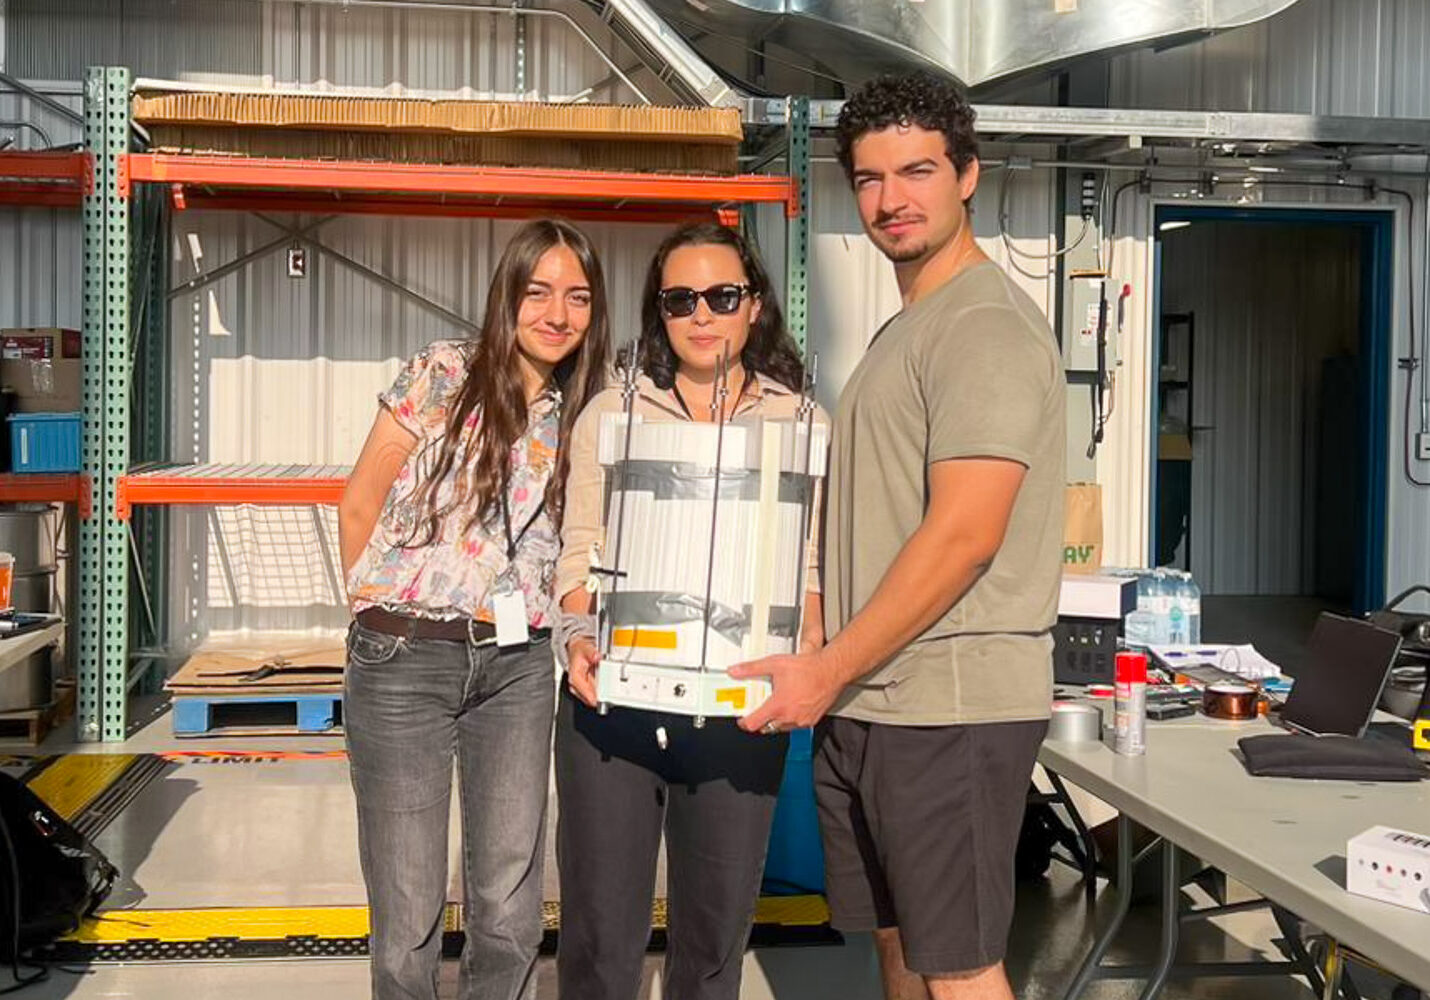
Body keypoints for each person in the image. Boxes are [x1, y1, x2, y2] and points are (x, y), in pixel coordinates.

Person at [729, 71, 1067, 1000]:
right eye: (870, 179)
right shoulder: (909, 328)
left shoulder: (983, 328)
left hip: (946, 706)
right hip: (876, 699)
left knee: (958, 968)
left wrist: (826, 670)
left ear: (968, 175)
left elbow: (965, 535)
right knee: (900, 948)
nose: (891, 200)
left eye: (917, 172)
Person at [553, 221, 827, 1000]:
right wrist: (577, 637)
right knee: (599, 942)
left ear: (755, 305)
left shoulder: (804, 423)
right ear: (659, 311)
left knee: (712, 946)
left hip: (740, 714)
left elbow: (810, 567)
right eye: (680, 300)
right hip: (612, 711)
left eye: (721, 296)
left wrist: (809, 648)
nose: (701, 315)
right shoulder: (611, 414)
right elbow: (579, 549)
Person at [337, 219, 610, 1000]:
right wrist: (380, 611)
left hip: (516, 668)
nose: (557, 313)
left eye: (578, 297)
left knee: (509, 905)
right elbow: (359, 501)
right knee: (407, 912)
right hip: (403, 659)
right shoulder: (442, 372)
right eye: (539, 292)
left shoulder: (581, 413)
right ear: (507, 296)